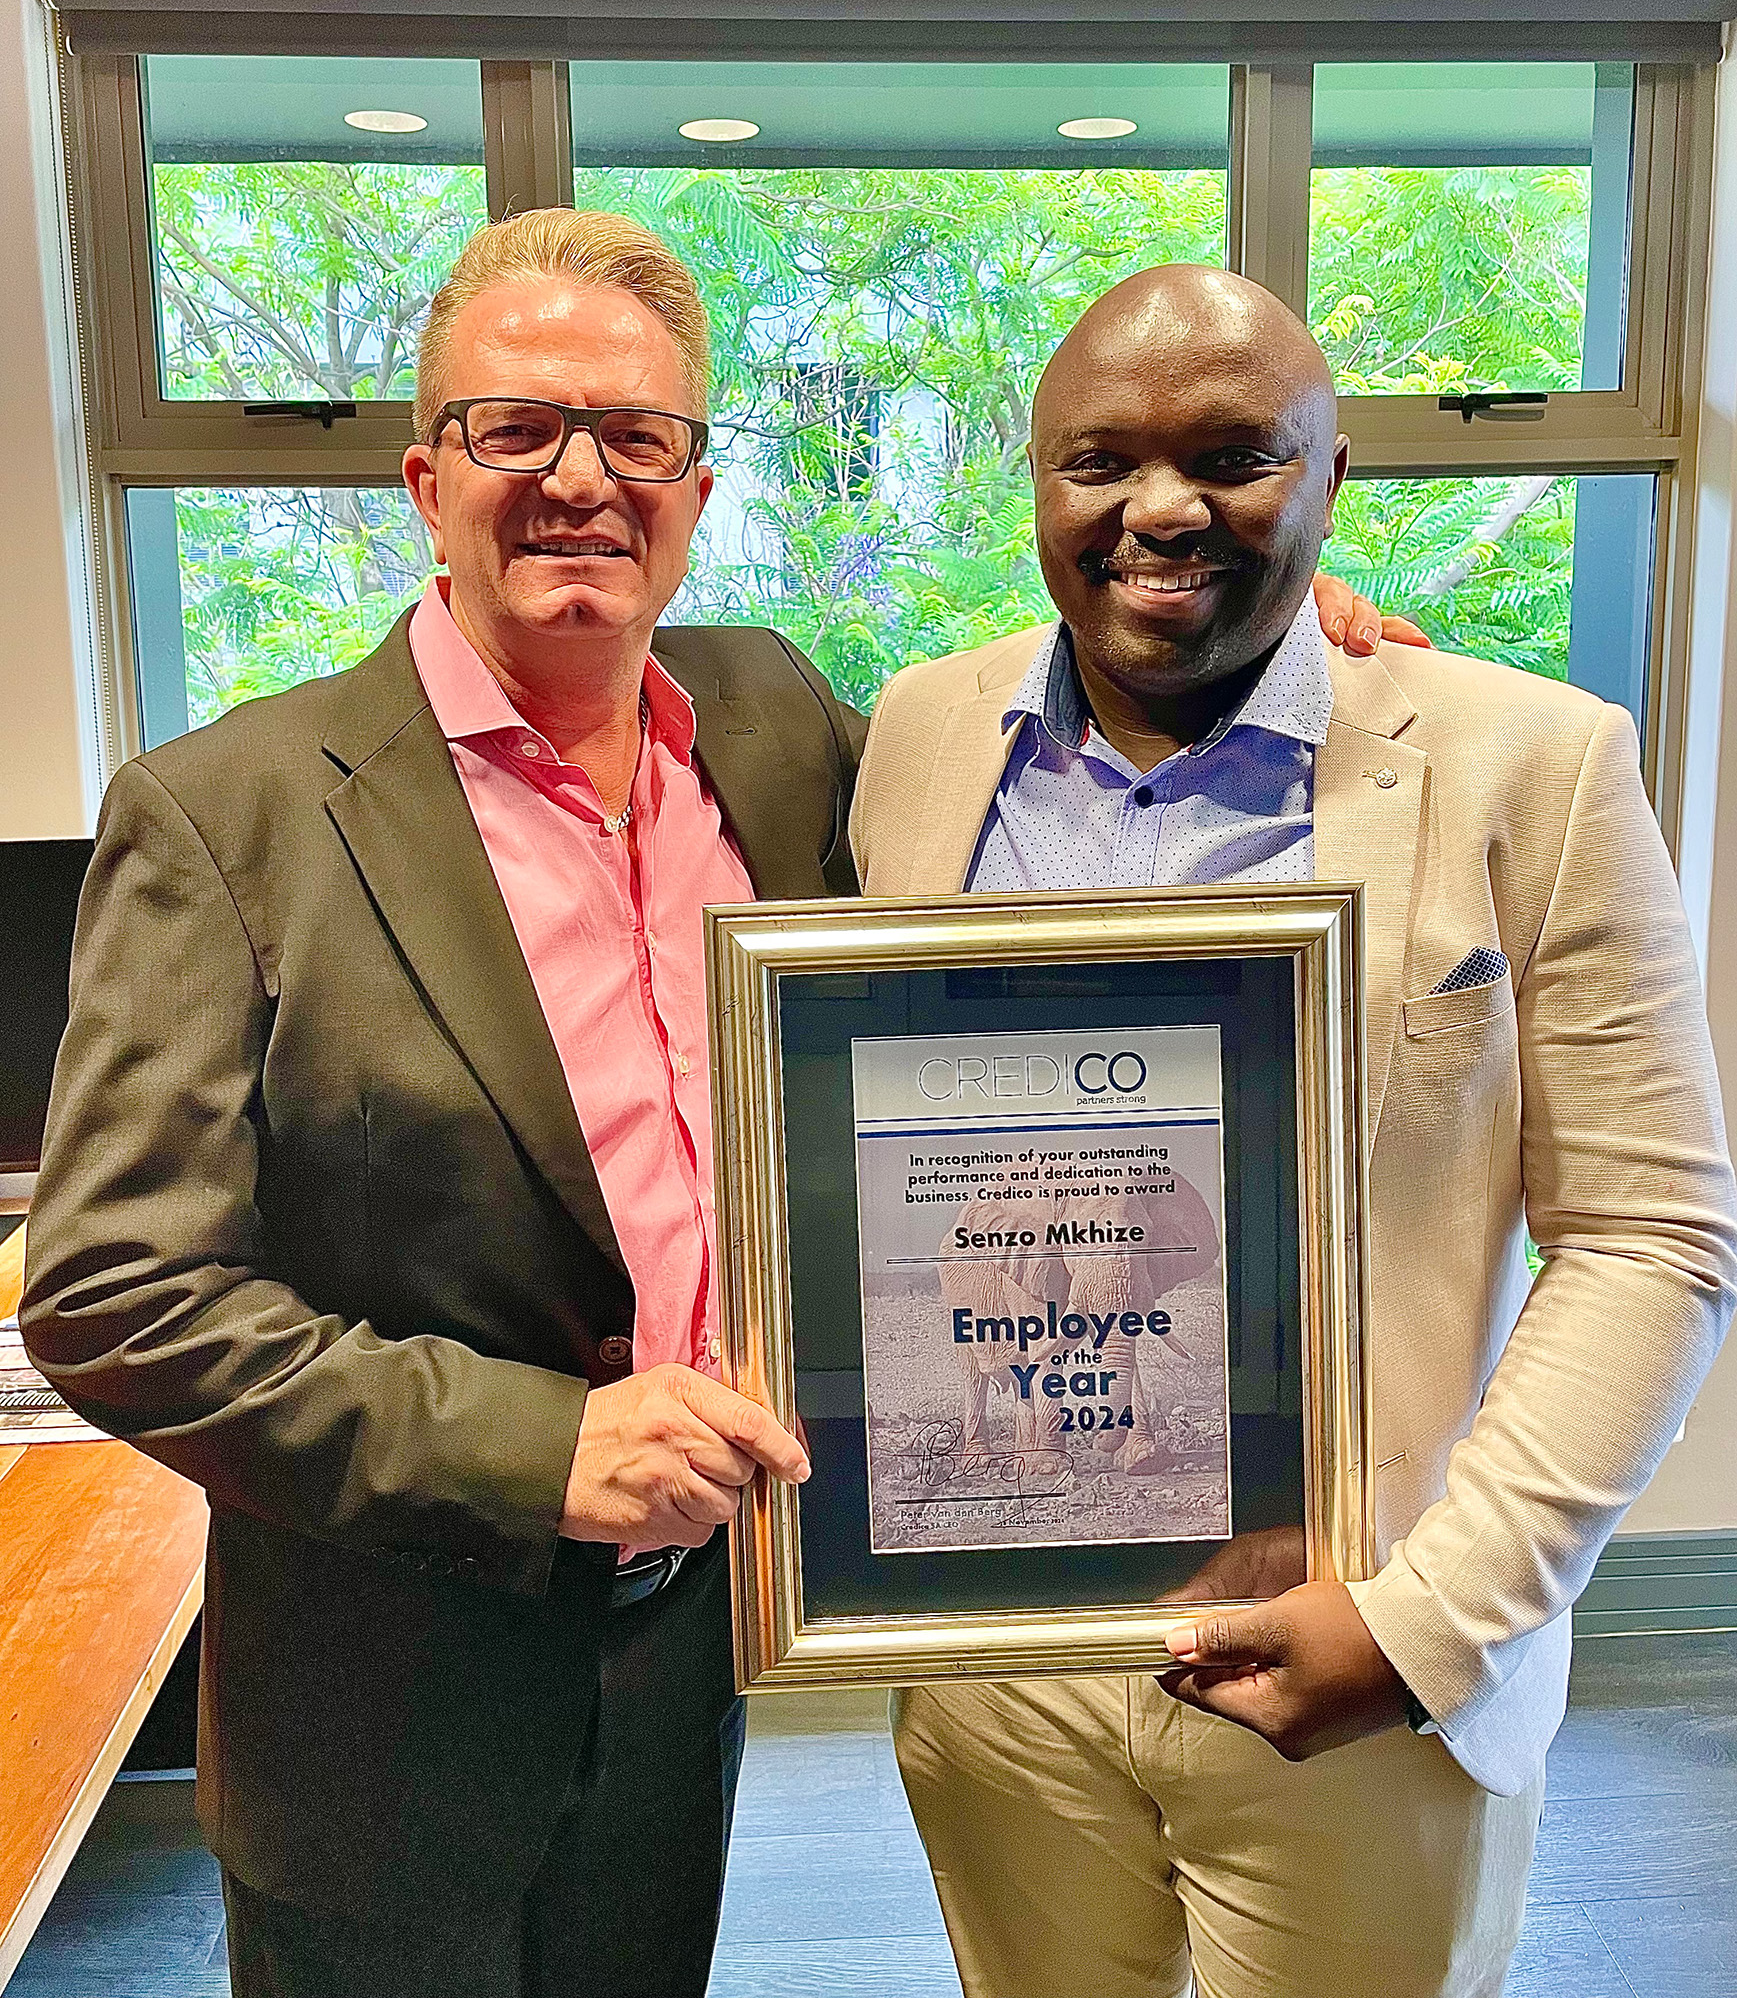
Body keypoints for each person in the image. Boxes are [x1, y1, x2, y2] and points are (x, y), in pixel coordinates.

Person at [20, 198, 1408, 1995]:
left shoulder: (770, 723)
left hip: (690, 1660)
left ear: (694, 483)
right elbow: (116, 1299)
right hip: (388, 1718)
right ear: (424, 478)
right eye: (516, 429)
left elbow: (1057, 718)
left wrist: (1282, 621)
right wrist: (540, 1449)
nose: (578, 478)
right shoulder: (232, 814)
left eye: (637, 436)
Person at [850, 263, 1737, 1998]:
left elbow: (1653, 1239)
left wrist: (1423, 1630)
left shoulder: (1531, 763)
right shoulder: (913, 736)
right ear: (1035, 484)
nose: (1160, 508)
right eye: (1098, 460)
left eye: (1237, 456)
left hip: (1361, 1669)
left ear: (1333, 483)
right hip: (997, 1666)